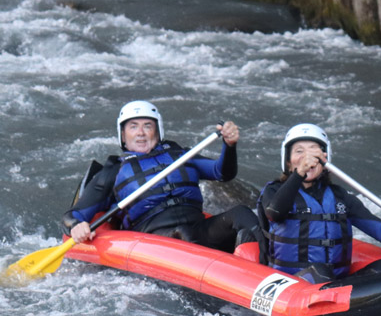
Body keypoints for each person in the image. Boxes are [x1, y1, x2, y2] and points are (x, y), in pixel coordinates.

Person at [63, 100, 259, 251]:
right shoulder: (113, 172)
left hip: (198, 229)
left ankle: (268, 268)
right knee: (183, 234)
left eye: (147, 126)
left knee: (241, 213)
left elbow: (222, 172)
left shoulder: (180, 155)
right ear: (123, 135)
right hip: (154, 241)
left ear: (157, 131)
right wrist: (77, 226)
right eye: (133, 127)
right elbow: (74, 214)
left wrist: (229, 145)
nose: (141, 133)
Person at [258, 123, 381, 282]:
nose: (307, 157)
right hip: (292, 283)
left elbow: (380, 230)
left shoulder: (340, 197)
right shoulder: (274, 190)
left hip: (335, 282)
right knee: (321, 272)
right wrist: (299, 174)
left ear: (324, 159)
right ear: (288, 162)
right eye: (299, 151)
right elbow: (274, 212)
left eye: (313, 150)